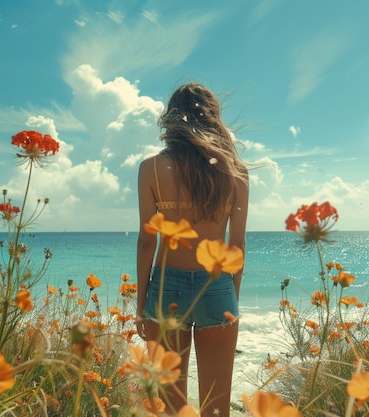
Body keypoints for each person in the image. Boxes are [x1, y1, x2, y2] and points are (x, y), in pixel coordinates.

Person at [136, 82, 249, 417]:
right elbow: (237, 245)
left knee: (171, 408)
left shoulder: (151, 168)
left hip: (164, 289)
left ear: (171, 119)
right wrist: (230, 297)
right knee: (217, 408)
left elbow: (147, 240)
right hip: (217, 288)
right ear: (214, 119)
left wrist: (141, 303)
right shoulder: (235, 172)